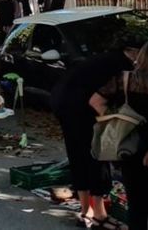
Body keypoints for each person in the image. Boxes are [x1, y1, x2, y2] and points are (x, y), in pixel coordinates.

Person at [51, 34, 141, 229]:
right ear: (132, 51)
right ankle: (98, 214)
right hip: (80, 108)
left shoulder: (107, 58)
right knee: (96, 155)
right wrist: (112, 125)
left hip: (63, 103)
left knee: (78, 154)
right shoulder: (123, 66)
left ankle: (86, 211)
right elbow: (97, 101)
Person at [90, 39, 148, 230]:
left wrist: (114, 119)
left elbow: (95, 101)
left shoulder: (123, 78)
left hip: (129, 142)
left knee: (136, 200)